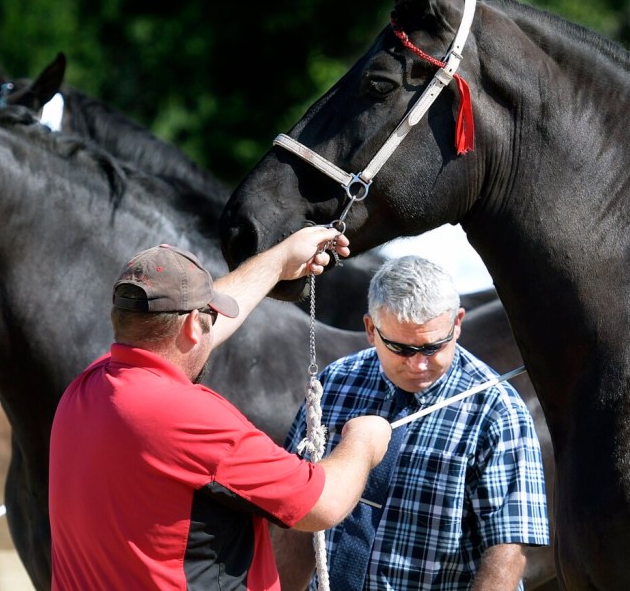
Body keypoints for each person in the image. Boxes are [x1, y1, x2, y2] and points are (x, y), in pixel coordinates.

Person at [48, 227, 393, 590]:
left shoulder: (88, 386)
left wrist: (279, 260)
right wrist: (364, 443)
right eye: (209, 316)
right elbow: (324, 503)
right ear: (193, 327)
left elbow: (185, 330)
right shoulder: (191, 419)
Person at [279, 255, 550, 590]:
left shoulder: (497, 410)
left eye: (433, 347)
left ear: (458, 323)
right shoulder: (334, 384)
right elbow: (296, 508)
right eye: (401, 349)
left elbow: (508, 550)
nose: (419, 365)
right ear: (370, 330)